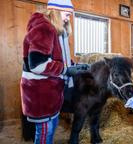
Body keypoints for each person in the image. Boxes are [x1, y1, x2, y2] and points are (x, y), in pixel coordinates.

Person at [20, 0, 88, 143]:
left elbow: (58, 58)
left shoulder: (57, 30)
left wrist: (77, 66)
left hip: (51, 91)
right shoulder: (44, 28)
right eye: (66, 14)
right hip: (40, 92)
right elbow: (38, 65)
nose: (68, 18)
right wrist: (67, 70)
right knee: (45, 132)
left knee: (51, 128)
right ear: (56, 11)